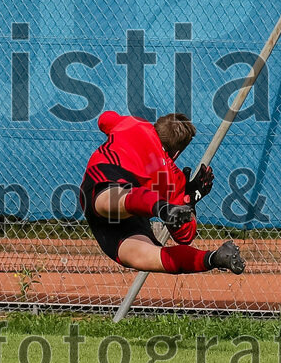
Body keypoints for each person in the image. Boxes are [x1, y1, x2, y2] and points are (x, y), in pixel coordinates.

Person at [79, 110, 246, 274]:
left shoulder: (134, 124)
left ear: (157, 126)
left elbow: (104, 118)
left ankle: (161, 207)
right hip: (135, 214)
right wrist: (190, 201)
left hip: (108, 184)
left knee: (110, 199)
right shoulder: (172, 178)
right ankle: (213, 258)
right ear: (177, 152)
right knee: (145, 255)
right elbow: (184, 236)